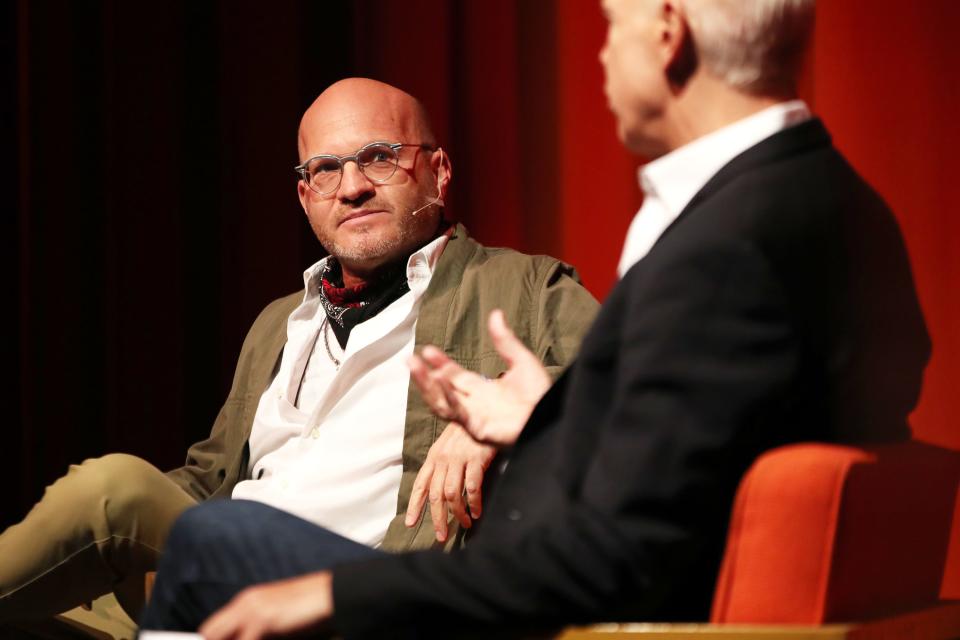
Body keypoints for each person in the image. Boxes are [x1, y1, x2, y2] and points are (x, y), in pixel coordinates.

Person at [140, 0, 931, 637]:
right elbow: (699, 441)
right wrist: (547, 413)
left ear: (666, 31)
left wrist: (340, 596)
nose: (601, 59)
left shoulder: (728, 248)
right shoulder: (834, 203)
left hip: (547, 610)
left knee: (214, 543)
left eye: (610, 29)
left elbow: (614, 553)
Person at [0, 78, 597, 636]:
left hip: (362, 593)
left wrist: (507, 411)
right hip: (219, 579)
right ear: (306, 197)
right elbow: (208, 481)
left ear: (439, 174)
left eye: (380, 157)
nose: (353, 186)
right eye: (328, 169)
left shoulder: (523, 287)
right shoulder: (278, 324)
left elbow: (622, 387)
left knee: (114, 490)